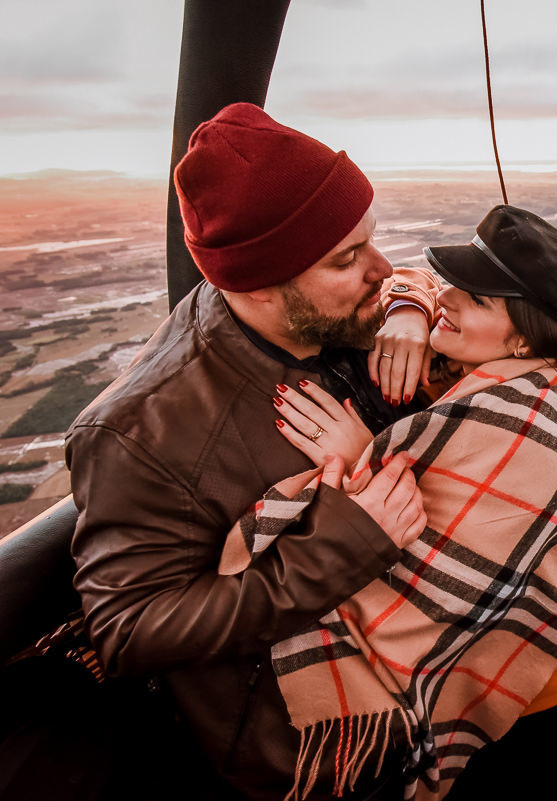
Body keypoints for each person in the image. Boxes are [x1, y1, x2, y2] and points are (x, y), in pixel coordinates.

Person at [66, 102, 443, 801]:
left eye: (371, 240)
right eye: (348, 258)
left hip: (414, 670)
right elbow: (126, 629)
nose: (380, 268)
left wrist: (408, 307)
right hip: (313, 747)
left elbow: (407, 279)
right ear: (258, 283)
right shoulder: (140, 434)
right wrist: (341, 545)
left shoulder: (328, 313)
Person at [223, 205, 557, 801]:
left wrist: (366, 458)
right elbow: (412, 281)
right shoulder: (494, 368)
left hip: (550, 681)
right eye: (456, 286)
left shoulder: (529, 417)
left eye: (478, 300)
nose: (451, 300)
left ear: (522, 336)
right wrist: (410, 312)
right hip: (528, 666)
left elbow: (444, 559)